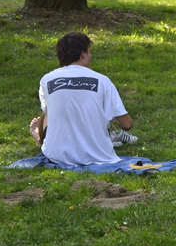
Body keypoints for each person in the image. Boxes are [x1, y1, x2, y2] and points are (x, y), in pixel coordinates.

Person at [29, 32, 135, 166]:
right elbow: (126, 124)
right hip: (98, 156)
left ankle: (41, 138)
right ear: (83, 54)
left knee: (47, 111)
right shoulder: (102, 80)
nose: (90, 57)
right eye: (89, 52)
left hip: (57, 157)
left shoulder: (47, 79)